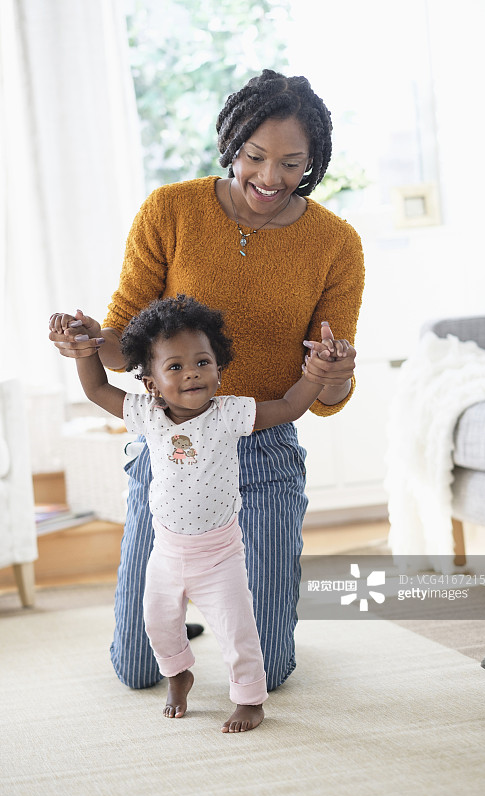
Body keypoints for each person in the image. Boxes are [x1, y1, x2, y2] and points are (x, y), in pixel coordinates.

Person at [49, 69, 365, 694]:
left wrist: (332, 373)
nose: (269, 178)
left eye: (291, 163)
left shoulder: (336, 244)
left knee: (268, 674)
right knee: (137, 671)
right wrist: (88, 340)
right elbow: (122, 350)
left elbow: (327, 397)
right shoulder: (170, 211)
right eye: (254, 157)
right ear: (232, 143)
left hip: (263, 450)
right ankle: (189, 608)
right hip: (170, 447)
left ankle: (226, 607)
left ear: (315, 161)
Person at [50, 294, 344, 731]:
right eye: (174, 367)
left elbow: (287, 407)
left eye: (202, 362)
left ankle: (249, 699)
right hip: (166, 554)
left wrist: (316, 374)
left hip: (219, 557)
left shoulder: (230, 413)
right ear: (150, 383)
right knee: (158, 622)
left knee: (238, 633)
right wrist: (84, 347)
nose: (191, 372)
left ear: (219, 369)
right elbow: (96, 389)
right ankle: (178, 674)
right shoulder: (146, 415)